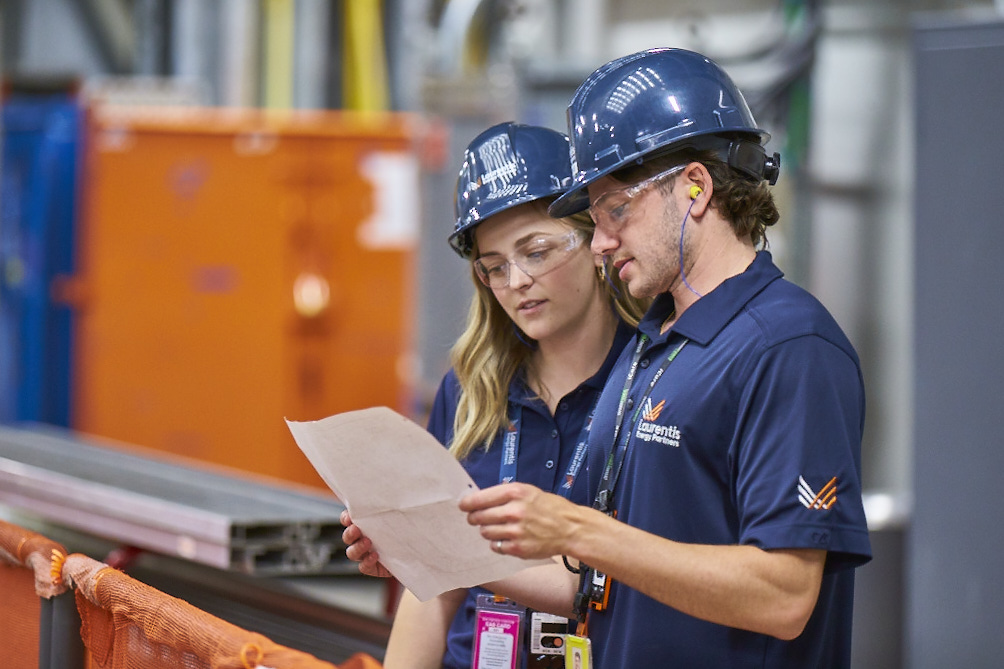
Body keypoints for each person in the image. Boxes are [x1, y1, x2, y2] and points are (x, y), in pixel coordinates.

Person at [346, 48, 872, 668]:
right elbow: (596, 587)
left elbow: (784, 597)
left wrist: (575, 530)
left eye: (616, 209)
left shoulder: (785, 347)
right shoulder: (655, 351)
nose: (602, 241)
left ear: (695, 187)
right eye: (594, 218)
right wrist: (430, 550)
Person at [344, 121, 647, 669]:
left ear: (595, 240)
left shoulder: (652, 388)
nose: (517, 281)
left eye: (536, 251)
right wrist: (409, 546)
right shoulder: (469, 392)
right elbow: (432, 594)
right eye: (495, 267)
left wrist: (451, 550)